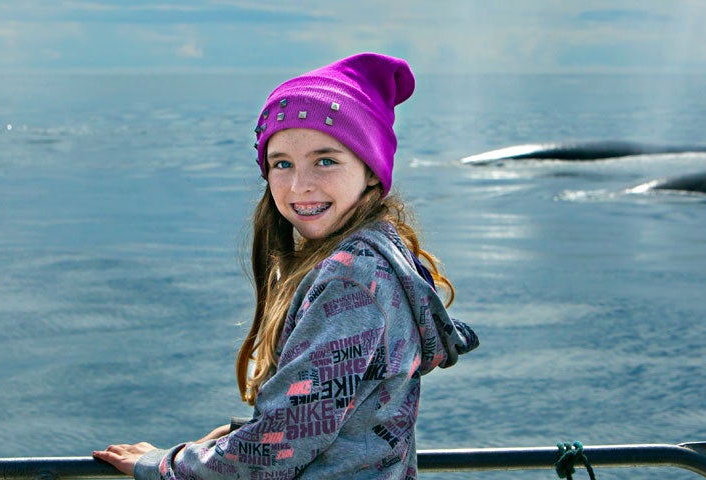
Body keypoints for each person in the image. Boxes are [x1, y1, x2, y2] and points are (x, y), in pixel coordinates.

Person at [94, 52, 479, 479]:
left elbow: (279, 446)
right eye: (282, 164)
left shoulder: (351, 278)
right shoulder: (378, 256)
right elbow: (334, 418)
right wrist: (231, 437)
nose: (300, 186)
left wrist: (163, 465)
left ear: (371, 169)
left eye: (325, 160)